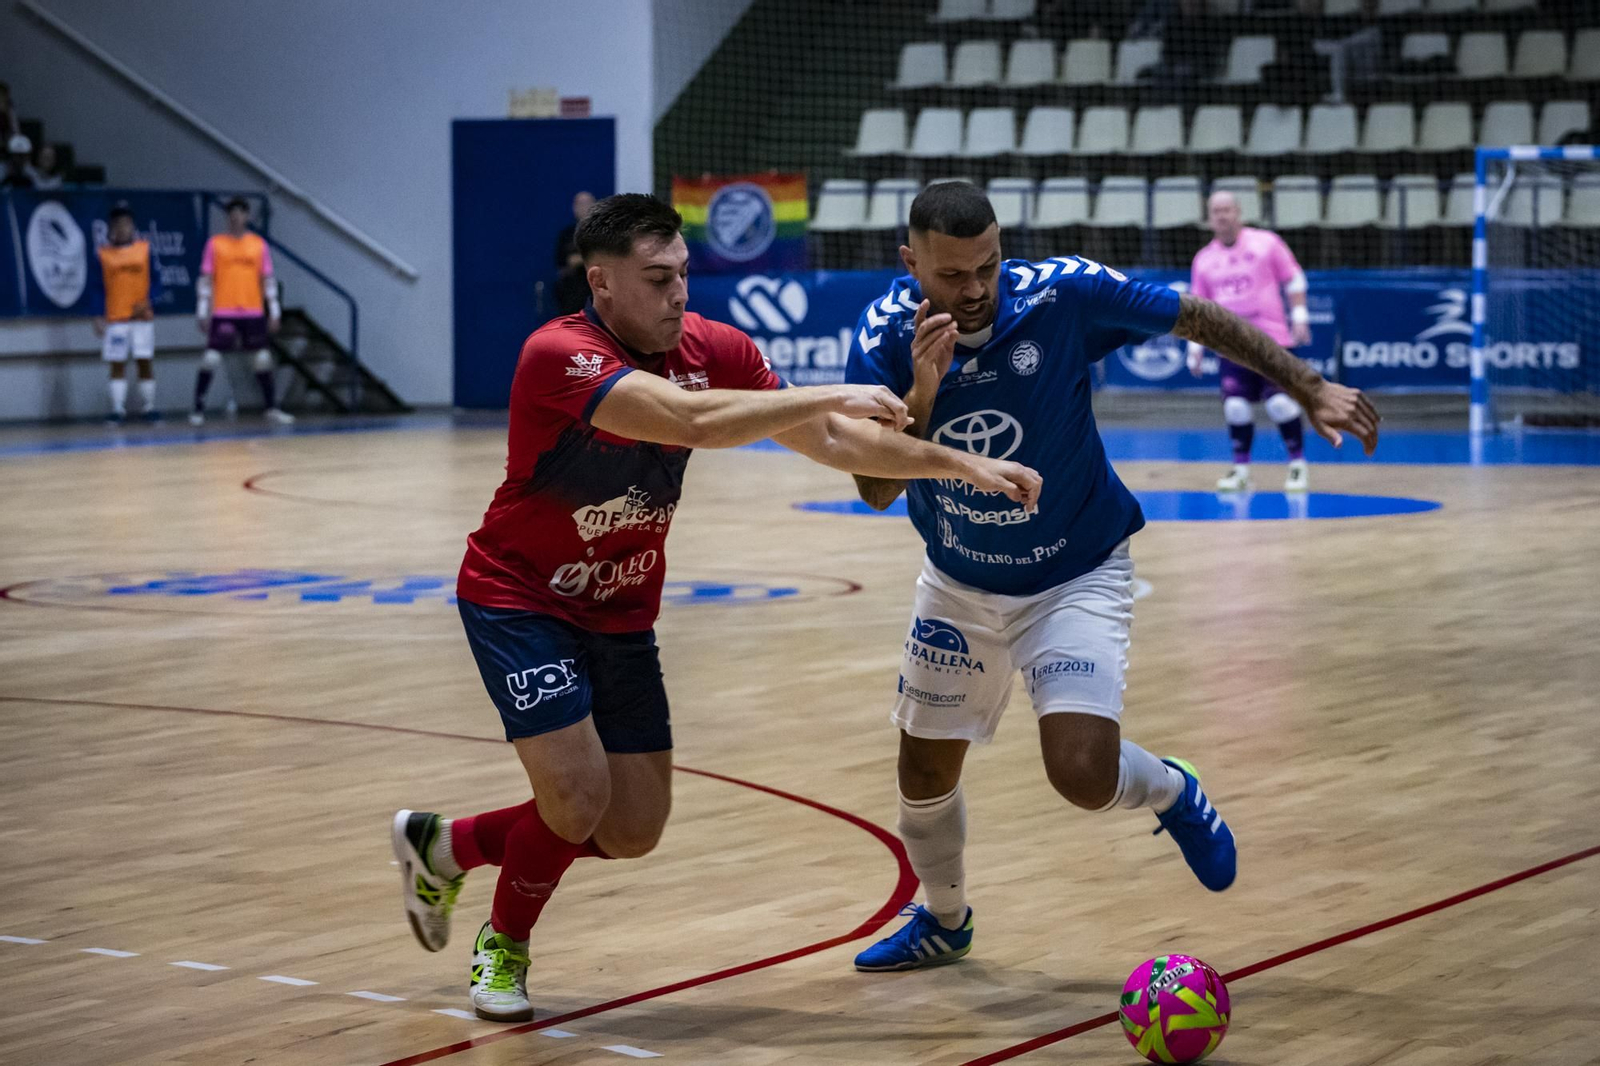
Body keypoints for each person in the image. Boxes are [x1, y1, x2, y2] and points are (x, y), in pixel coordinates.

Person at [389, 193, 1044, 1022]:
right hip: (521, 599)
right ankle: (505, 945)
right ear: (601, 283)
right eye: (657, 279)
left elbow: (834, 442)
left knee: (633, 827)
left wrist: (959, 463)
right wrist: (826, 392)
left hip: (622, 609)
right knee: (577, 799)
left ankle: (445, 847)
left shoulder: (712, 347)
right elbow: (690, 420)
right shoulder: (559, 354)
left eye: (683, 274)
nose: (679, 294)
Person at [842, 181, 1379, 972]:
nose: (976, 288)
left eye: (988, 265)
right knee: (922, 771)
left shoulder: (1062, 294)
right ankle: (946, 922)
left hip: (1076, 571)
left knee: (1083, 775)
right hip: (959, 581)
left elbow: (1197, 316)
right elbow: (874, 488)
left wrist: (1309, 385)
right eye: (953, 275)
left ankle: (1173, 789)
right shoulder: (883, 334)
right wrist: (923, 390)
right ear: (910, 263)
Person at [1188, 190, 1315, 492]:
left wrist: (1299, 317)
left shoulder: (1266, 243)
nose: (1222, 216)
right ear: (1209, 218)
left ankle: (1298, 466)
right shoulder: (1204, 260)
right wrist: (1194, 348)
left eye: (1227, 209)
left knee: (1280, 404)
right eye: (1216, 211)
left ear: (1238, 212)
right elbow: (1197, 306)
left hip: (1271, 342)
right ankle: (1241, 471)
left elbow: (1294, 278)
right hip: (1231, 347)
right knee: (1235, 407)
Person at [192, 197, 292, 425]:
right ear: (228, 217)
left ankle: (271, 408)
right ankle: (197, 409)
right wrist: (202, 310)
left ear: (247, 216)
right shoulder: (215, 244)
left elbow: (267, 280)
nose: (236, 217)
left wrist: (274, 311)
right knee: (211, 358)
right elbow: (206, 279)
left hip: (252, 312)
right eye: (232, 213)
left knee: (262, 359)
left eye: (240, 213)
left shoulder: (258, 245)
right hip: (224, 312)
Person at [92, 203, 162, 424]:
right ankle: (117, 409)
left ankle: (149, 407)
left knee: (144, 360)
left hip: (141, 318)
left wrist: (149, 300)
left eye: (126, 223)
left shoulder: (145, 250)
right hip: (116, 319)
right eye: (118, 224)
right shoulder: (103, 254)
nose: (122, 228)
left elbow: (157, 281)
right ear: (112, 227)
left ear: (132, 226)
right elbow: (97, 288)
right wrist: (97, 315)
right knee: (117, 363)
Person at [553, 190, 596, 315]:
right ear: (574, 208)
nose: (584, 208)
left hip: (595, 291)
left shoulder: (603, 234)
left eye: (587, 203)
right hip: (572, 293)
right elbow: (564, 262)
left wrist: (580, 259)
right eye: (580, 204)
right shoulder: (566, 235)